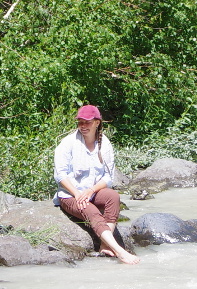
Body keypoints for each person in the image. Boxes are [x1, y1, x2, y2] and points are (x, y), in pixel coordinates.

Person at [54, 105, 138, 264]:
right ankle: (120, 251)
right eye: (80, 122)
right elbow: (60, 175)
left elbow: (108, 178)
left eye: (87, 122)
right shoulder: (68, 143)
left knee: (113, 196)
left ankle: (105, 246)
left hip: (92, 192)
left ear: (97, 123)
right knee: (92, 211)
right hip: (70, 195)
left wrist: (91, 190)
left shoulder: (104, 143)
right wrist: (78, 194)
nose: (83, 126)